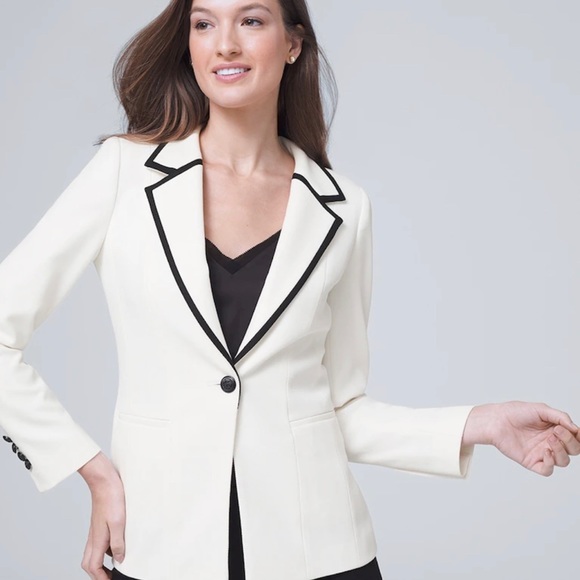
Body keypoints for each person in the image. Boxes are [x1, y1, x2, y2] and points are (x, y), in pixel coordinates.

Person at [0, 0, 579, 579]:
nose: (225, 43)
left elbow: (337, 410)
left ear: (293, 43)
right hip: (161, 547)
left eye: (251, 20)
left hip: (320, 555)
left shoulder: (343, 209)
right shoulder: (123, 175)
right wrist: (92, 470)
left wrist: (482, 423)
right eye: (204, 23)